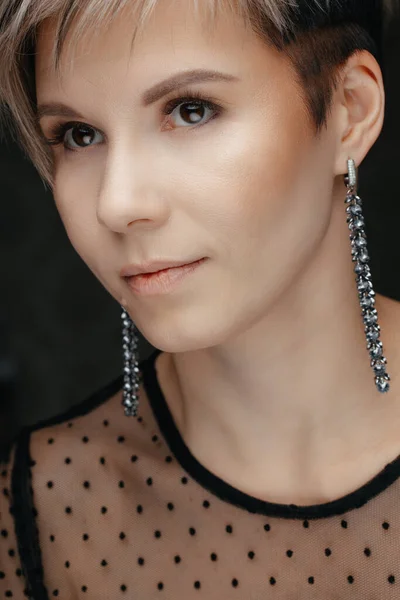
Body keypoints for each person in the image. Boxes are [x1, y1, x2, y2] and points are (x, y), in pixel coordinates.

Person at [1, 0, 400, 597]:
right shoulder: (40, 504)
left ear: (350, 109)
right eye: (78, 135)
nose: (117, 202)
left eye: (191, 111)